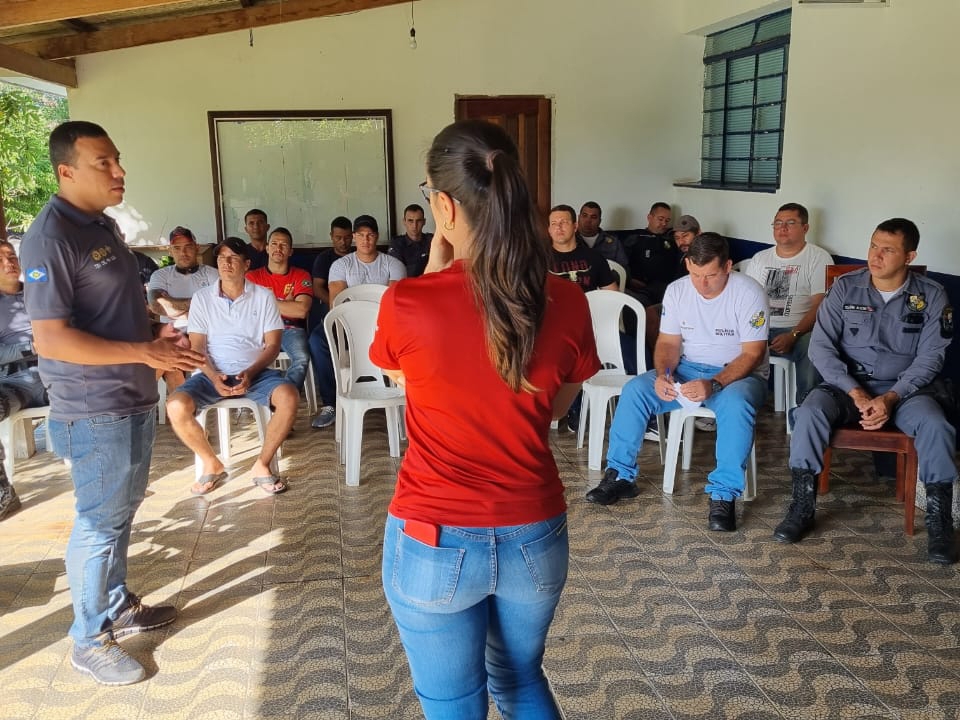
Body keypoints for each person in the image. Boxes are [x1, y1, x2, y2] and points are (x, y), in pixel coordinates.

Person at [370, 119, 600, 719]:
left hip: (434, 538)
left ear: (444, 205)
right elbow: (553, 408)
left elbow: (406, 381)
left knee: (453, 702)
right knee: (521, 680)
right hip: (535, 534)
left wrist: (434, 269)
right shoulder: (569, 300)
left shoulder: (408, 302)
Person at [21, 120, 204, 686]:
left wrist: (156, 336)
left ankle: (117, 606)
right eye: (104, 162)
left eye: (117, 160)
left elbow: (109, 309)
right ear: (66, 171)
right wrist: (144, 351)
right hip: (91, 406)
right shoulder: (49, 237)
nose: (119, 170)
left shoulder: (101, 225)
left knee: (120, 516)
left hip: (130, 394)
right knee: (98, 524)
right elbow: (51, 337)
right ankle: (87, 637)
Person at [774, 218, 958, 564]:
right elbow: (821, 349)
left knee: (936, 424)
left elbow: (931, 357)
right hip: (846, 388)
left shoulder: (932, 296)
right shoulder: (845, 288)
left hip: (907, 394)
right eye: (874, 246)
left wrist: (891, 397)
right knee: (810, 412)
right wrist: (856, 393)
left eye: (887, 249)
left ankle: (939, 522)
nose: (875, 255)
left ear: (909, 255)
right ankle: (801, 505)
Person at [585, 232, 769, 533]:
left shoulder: (749, 292)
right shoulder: (678, 291)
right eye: (696, 274)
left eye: (710, 275)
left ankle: (723, 495)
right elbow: (668, 343)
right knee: (635, 390)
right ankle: (620, 475)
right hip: (686, 369)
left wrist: (716, 383)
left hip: (738, 375)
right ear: (687, 265)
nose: (702, 284)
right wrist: (663, 375)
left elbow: (753, 353)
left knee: (736, 406)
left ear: (728, 266)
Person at [165, 237, 298, 496]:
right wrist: (214, 377)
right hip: (211, 373)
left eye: (233, 258)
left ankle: (262, 465)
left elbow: (272, 346)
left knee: (289, 397)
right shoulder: (202, 299)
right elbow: (198, 347)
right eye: (221, 258)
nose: (226, 263)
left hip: (255, 372)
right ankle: (211, 463)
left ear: (246, 264)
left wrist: (250, 373)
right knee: (175, 406)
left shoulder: (264, 296)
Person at [309, 214, 405, 430]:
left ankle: (401, 401)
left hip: (383, 325)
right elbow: (337, 304)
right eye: (360, 235)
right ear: (354, 237)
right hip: (347, 325)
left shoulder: (393, 264)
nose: (366, 240)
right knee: (317, 340)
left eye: (370, 235)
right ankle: (330, 403)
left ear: (377, 236)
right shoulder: (341, 265)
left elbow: (393, 303)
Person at [743, 203, 832, 404]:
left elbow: (820, 305)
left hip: (798, 330)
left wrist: (793, 334)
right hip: (759, 329)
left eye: (790, 223)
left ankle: (805, 412)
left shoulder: (818, 257)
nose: (782, 228)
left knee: (814, 345)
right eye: (778, 223)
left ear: (805, 228)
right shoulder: (760, 258)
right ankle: (724, 404)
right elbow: (745, 301)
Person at [0, 240, 47, 521]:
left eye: (11, 255)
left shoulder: (40, 291)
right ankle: (4, 494)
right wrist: (31, 347)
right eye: (0, 258)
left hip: (61, 373)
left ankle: (105, 479)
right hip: (17, 382)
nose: (9, 261)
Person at [147, 225, 218, 391]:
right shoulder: (161, 275)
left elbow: (218, 309)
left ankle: (173, 409)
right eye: (177, 248)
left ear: (197, 248)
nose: (183, 253)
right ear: (170, 251)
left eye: (188, 247)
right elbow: (158, 306)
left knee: (171, 359)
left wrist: (174, 305)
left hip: (204, 335)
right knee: (169, 358)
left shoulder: (212, 274)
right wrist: (199, 305)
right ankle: (176, 407)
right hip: (171, 334)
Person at [246, 227, 313, 392]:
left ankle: (285, 397)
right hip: (258, 329)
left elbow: (302, 310)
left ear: (290, 251)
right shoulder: (251, 277)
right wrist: (285, 304)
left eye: (284, 245)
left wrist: (263, 301)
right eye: (274, 244)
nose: (278, 248)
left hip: (289, 329)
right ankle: (257, 395)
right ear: (267, 248)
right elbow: (245, 309)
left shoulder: (301, 275)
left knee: (302, 358)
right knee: (243, 358)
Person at [548, 204, 618, 292]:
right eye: (554, 223)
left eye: (564, 222)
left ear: (575, 226)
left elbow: (613, 295)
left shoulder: (595, 257)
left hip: (590, 305)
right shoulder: (537, 260)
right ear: (549, 230)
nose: (558, 227)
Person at [576, 201, 629, 269]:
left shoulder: (614, 243)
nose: (588, 220)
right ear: (578, 217)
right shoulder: (570, 239)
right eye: (584, 215)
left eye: (593, 217)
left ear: (599, 221)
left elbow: (624, 269)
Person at [389, 203, 433, 278]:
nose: (414, 225)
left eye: (418, 221)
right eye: (410, 221)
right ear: (404, 222)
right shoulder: (397, 244)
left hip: (430, 284)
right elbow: (397, 273)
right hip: (407, 286)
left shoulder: (431, 240)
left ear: (424, 222)